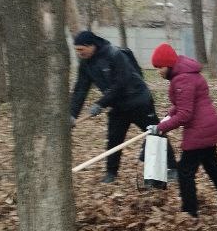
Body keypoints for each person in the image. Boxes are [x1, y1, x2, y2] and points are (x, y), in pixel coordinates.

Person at [147, 43, 217, 222]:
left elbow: (185, 114)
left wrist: (161, 128)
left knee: (185, 171)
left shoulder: (182, 79)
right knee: (214, 169)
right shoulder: (186, 74)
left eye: (160, 67)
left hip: (200, 130)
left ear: (169, 64)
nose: (159, 71)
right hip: (207, 126)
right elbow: (182, 105)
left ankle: (189, 214)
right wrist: (164, 119)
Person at [69, 30, 175, 185]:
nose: (79, 53)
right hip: (117, 106)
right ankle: (111, 173)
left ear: (91, 45)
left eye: (81, 49)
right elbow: (80, 89)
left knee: (156, 132)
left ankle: (173, 168)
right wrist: (72, 115)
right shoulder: (85, 64)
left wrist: (100, 103)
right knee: (114, 139)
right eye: (76, 50)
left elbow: (121, 83)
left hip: (139, 101)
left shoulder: (114, 54)